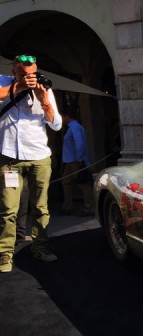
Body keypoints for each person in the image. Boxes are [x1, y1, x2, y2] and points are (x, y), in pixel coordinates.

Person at [0, 54, 62, 272]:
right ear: (14, 71)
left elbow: (55, 124)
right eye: (22, 73)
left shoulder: (44, 88)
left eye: (31, 73)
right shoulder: (3, 82)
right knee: (8, 209)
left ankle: (40, 247)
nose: (28, 77)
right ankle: (5, 254)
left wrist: (44, 99)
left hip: (39, 158)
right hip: (9, 158)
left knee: (40, 207)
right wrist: (17, 87)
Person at [60, 111, 93, 216]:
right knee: (66, 183)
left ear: (66, 116)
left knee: (83, 184)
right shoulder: (73, 127)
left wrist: (79, 159)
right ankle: (67, 206)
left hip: (74, 161)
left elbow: (79, 144)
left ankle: (89, 207)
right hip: (70, 161)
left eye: (61, 117)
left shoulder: (74, 127)